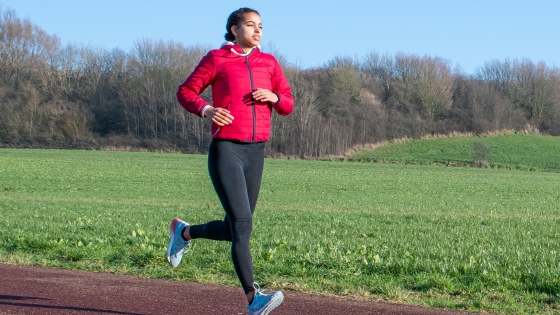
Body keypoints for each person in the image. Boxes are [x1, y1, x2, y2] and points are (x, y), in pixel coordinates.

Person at [167, 7, 294, 315]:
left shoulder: (270, 63)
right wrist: (207, 110)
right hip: (226, 150)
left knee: (235, 229)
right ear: (234, 30)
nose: (258, 30)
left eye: (261, 26)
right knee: (242, 224)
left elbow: (288, 103)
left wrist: (275, 98)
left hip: (256, 152)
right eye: (250, 25)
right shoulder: (217, 59)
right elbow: (186, 92)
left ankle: (184, 233)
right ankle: (254, 299)